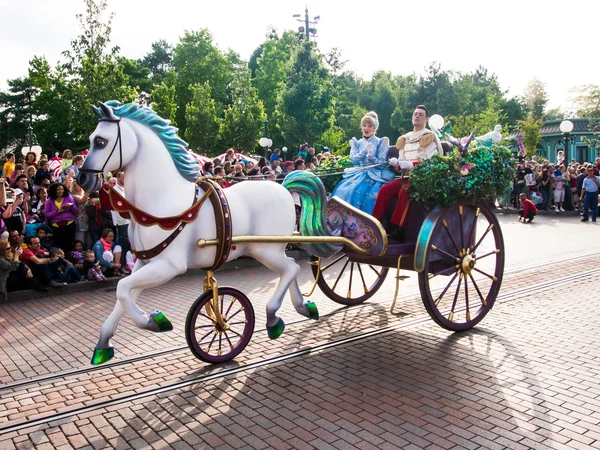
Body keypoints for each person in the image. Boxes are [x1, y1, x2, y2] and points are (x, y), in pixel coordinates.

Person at [371, 105, 442, 241]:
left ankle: (398, 229)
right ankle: (374, 224)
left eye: (420, 115)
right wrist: (396, 163)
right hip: (406, 177)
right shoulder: (405, 138)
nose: (416, 116)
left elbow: (433, 162)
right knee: (385, 190)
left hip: (422, 180)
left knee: (404, 192)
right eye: (415, 114)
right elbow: (402, 162)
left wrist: (412, 165)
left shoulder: (428, 137)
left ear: (426, 119)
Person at [330, 111, 394, 213]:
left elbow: (382, 164)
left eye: (369, 126)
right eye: (364, 125)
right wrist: (364, 151)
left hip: (375, 174)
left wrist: (371, 157)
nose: (366, 128)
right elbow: (353, 159)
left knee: (365, 196)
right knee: (342, 190)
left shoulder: (381, 141)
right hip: (359, 172)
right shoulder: (357, 142)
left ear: (374, 128)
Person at [44, 182, 78, 253]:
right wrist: (57, 212)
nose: (61, 191)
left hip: (69, 224)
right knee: (59, 244)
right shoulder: (49, 201)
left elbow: (75, 210)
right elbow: (47, 214)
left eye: (62, 189)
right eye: (58, 189)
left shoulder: (68, 197)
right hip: (57, 226)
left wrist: (71, 206)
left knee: (69, 244)